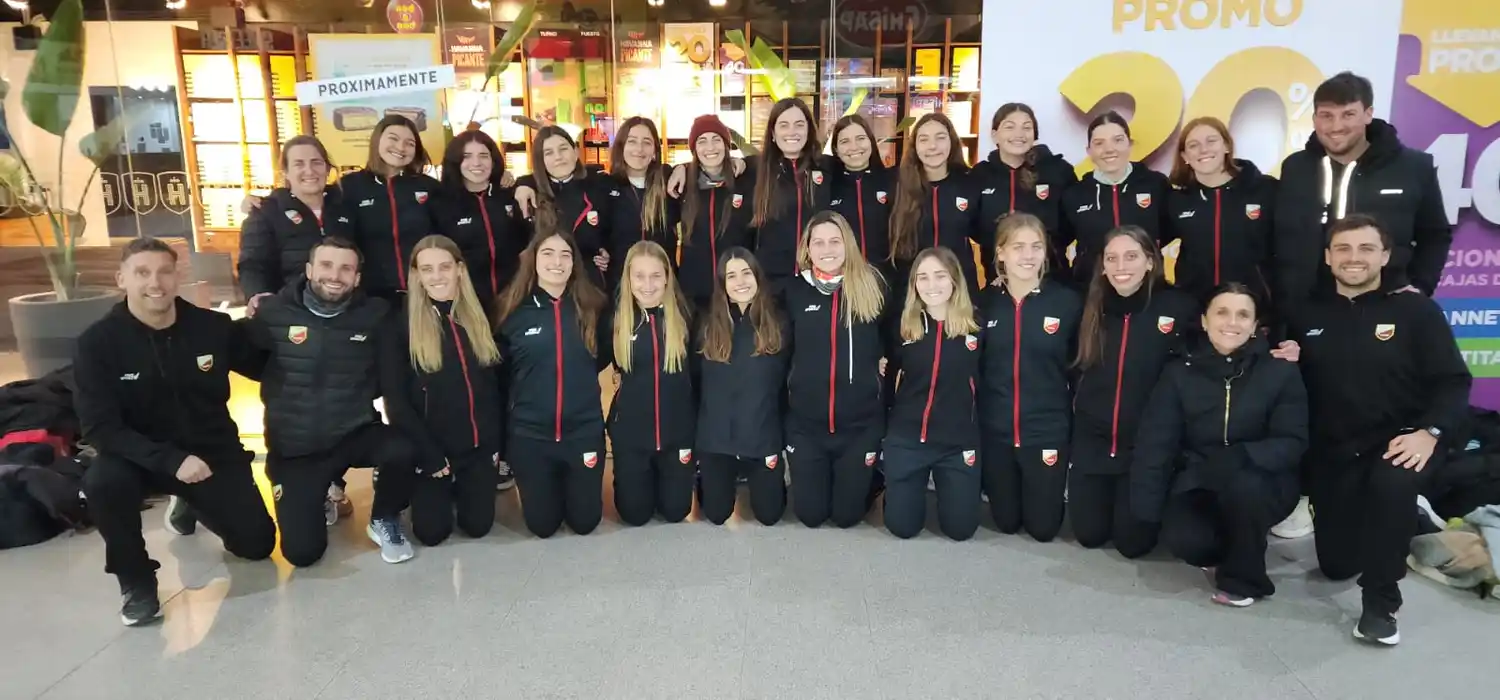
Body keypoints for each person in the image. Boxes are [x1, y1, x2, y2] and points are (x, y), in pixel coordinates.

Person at [1283, 214, 1470, 645]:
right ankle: (1409, 520)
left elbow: (1454, 381)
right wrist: (1286, 357)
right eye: (1343, 249)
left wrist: (1431, 433)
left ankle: (1381, 606)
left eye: (1366, 249)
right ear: (1328, 257)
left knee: (1392, 487)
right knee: (1336, 565)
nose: (1354, 258)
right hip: (1335, 448)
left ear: (1385, 255)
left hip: (1401, 440)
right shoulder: (1305, 312)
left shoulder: (1416, 310)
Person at [75, 238, 276, 627]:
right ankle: (136, 581)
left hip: (211, 452)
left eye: (165, 271)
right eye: (143, 273)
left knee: (256, 545)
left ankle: (190, 502)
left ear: (177, 276)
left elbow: (269, 367)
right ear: (122, 279)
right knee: (103, 483)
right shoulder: (98, 343)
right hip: (138, 456)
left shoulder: (213, 328)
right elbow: (99, 427)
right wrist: (170, 461)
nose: (156, 282)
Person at [243, 237, 418, 565]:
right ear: (309, 270)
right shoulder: (272, 313)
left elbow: (391, 377)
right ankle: (317, 493)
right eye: (326, 265)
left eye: (345, 268)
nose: (335, 275)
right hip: (296, 449)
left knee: (403, 449)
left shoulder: (375, 315)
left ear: (357, 277)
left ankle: (384, 517)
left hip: (353, 432)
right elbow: (242, 359)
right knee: (302, 554)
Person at [1131, 283, 1308, 607]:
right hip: (1202, 477)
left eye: (1243, 315)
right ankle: (1235, 540)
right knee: (1186, 541)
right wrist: (1146, 503)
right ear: (1204, 320)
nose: (1232, 322)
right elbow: (1156, 440)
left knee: (1245, 488)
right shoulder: (1179, 373)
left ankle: (1244, 580)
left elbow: (1293, 440)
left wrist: (1242, 456)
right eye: (1222, 312)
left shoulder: (1279, 372)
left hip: (1264, 480)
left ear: (1255, 325)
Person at [1069, 225, 1197, 557]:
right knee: (1089, 535)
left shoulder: (1178, 307)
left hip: (1144, 450)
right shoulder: (1088, 307)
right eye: (1112, 258)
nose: (1121, 267)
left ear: (1151, 261)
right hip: (1094, 442)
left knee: (1132, 545)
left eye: (1131, 257)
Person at [1273, 71, 1451, 306]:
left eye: (1348, 114)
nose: (1336, 126)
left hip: (1387, 309)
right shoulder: (1296, 168)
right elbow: (1277, 239)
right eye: (1326, 115)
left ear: (1368, 114)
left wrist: (1420, 287)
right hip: (1306, 311)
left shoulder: (1414, 167)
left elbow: (1435, 235)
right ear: (1314, 118)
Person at [381, 235, 505, 546]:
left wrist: (494, 444)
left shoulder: (481, 317)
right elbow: (395, 402)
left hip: (478, 449)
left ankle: (467, 487)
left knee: (478, 527)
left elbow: (495, 387)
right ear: (417, 276)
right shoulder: (400, 327)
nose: (437, 276)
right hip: (433, 451)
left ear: (459, 269)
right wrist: (430, 455)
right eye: (427, 269)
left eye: (444, 267)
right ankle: (418, 490)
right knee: (432, 534)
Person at [493, 229, 610, 538]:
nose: (556, 262)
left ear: (574, 263)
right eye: (548, 253)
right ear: (533, 260)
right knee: (542, 526)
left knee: (585, 523)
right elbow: (501, 375)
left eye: (565, 255)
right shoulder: (512, 311)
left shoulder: (594, 307)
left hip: (582, 432)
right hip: (531, 436)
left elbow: (602, 357)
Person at [977, 213, 1081, 541]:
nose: (1028, 255)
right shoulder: (984, 303)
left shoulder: (1067, 302)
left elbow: (1080, 369)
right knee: (1006, 523)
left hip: (1046, 430)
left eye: (1036, 246)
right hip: (996, 431)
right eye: (1018, 247)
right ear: (1001, 253)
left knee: (1043, 529)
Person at [782, 212, 889, 529]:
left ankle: (871, 478)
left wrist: (884, 360)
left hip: (860, 426)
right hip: (806, 426)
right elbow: (782, 350)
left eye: (835, 241)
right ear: (808, 248)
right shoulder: (794, 291)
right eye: (819, 242)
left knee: (846, 518)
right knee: (811, 516)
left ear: (848, 244)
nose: (827, 249)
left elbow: (896, 337)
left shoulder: (874, 285)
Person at [883, 246, 984, 540]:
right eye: (923, 277)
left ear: (955, 279)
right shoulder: (904, 327)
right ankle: (899, 486)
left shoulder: (977, 327)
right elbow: (888, 378)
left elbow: (987, 382)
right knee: (902, 528)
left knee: (961, 530)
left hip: (957, 443)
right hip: (908, 439)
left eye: (940, 276)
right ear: (914, 284)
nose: (932, 285)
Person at [696, 248, 791, 526]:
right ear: (722, 284)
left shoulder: (779, 322)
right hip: (717, 439)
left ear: (758, 277)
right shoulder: (706, 325)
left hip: (762, 436)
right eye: (731, 276)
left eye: (746, 273)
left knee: (769, 515)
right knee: (716, 515)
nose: (740, 282)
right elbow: (694, 380)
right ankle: (711, 480)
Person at [605, 241, 698, 526]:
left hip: (677, 435)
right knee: (635, 515)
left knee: (676, 512)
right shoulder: (614, 320)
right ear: (628, 278)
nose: (648, 284)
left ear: (667, 277)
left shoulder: (688, 316)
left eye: (656, 275)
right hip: (632, 437)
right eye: (639, 276)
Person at [1166, 117, 1277, 307]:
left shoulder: (1266, 190)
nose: (1203, 150)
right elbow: (1149, 241)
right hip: (1196, 314)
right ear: (1184, 156)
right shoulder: (1177, 200)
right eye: (1193, 145)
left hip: (1253, 311)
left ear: (1226, 145)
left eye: (1211, 141)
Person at [238, 136, 354, 315]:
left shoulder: (345, 206)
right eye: (299, 164)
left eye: (316, 162)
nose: (309, 171)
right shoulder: (266, 211)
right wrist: (257, 294)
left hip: (344, 310)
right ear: (285, 172)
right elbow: (253, 263)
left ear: (327, 168)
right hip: (291, 312)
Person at [1060, 111, 1172, 290]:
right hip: (1091, 292)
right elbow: (1061, 238)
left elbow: (1168, 230)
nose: (1109, 149)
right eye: (1099, 143)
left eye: (1118, 140)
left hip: (1149, 290)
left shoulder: (1156, 184)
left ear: (1130, 144)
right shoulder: (1075, 194)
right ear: (1088, 151)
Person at [340, 115, 443, 301]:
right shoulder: (348, 187)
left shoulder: (430, 187)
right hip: (369, 297)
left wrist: (501, 178)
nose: (401, 147)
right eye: (393, 139)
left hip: (422, 293)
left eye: (409, 143)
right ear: (377, 140)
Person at [888, 113, 986, 299]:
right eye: (924, 140)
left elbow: (987, 232)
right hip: (911, 290)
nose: (932, 146)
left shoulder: (970, 182)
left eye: (940, 138)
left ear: (952, 142)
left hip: (959, 288)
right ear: (915, 146)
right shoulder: (897, 184)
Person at [974, 103, 1078, 274]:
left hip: (1051, 278)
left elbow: (1073, 223)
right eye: (1010, 127)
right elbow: (973, 226)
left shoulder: (1058, 171)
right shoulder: (980, 175)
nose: (1019, 134)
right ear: (994, 135)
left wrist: (1050, 246)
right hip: (997, 278)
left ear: (1034, 135)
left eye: (1027, 127)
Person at [514, 126, 613, 290]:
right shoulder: (529, 196)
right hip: (544, 287)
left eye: (563, 149)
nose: (558, 157)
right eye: (549, 153)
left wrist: (607, 251)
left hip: (590, 286)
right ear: (541, 161)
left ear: (575, 152)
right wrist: (522, 183)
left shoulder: (599, 186)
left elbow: (612, 229)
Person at [438, 130, 524, 314]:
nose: (476, 163)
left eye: (483, 155)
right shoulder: (442, 203)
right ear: (456, 161)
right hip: (466, 305)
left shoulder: (509, 197)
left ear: (493, 161)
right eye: (467, 156)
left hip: (512, 301)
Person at [676, 114, 755, 309]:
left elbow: (765, 160)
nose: (710, 147)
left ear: (727, 145)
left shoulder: (746, 180)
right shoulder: (682, 184)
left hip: (738, 292)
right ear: (694, 149)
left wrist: (745, 162)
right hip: (694, 294)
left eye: (716, 139)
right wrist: (681, 167)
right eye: (702, 141)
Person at [750, 97, 826, 287]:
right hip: (770, 284)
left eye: (799, 125)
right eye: (784, 125)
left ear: (809, 131)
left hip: (817, 282)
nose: (792, 131)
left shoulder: (828, 168)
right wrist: (682, 169)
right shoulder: (754, 171)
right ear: (773, 134)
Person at [603, 117, 678, 291]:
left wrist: (684, 168)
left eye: (646, 142)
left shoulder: (669, 182)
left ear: (654, 151)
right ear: (621, 147)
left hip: (664, 288)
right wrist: (526, 183)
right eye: (632, 141)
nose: (639, 149)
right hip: (621, 288)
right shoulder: (605, 186)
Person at [822, 114, 894, 270]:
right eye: (844, 141)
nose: (854, 147)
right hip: (844, 277)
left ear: (871, 141)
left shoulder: (892, 181)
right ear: (836, 149)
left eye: (860, 138)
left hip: (887, 277)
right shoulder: (827, 186)